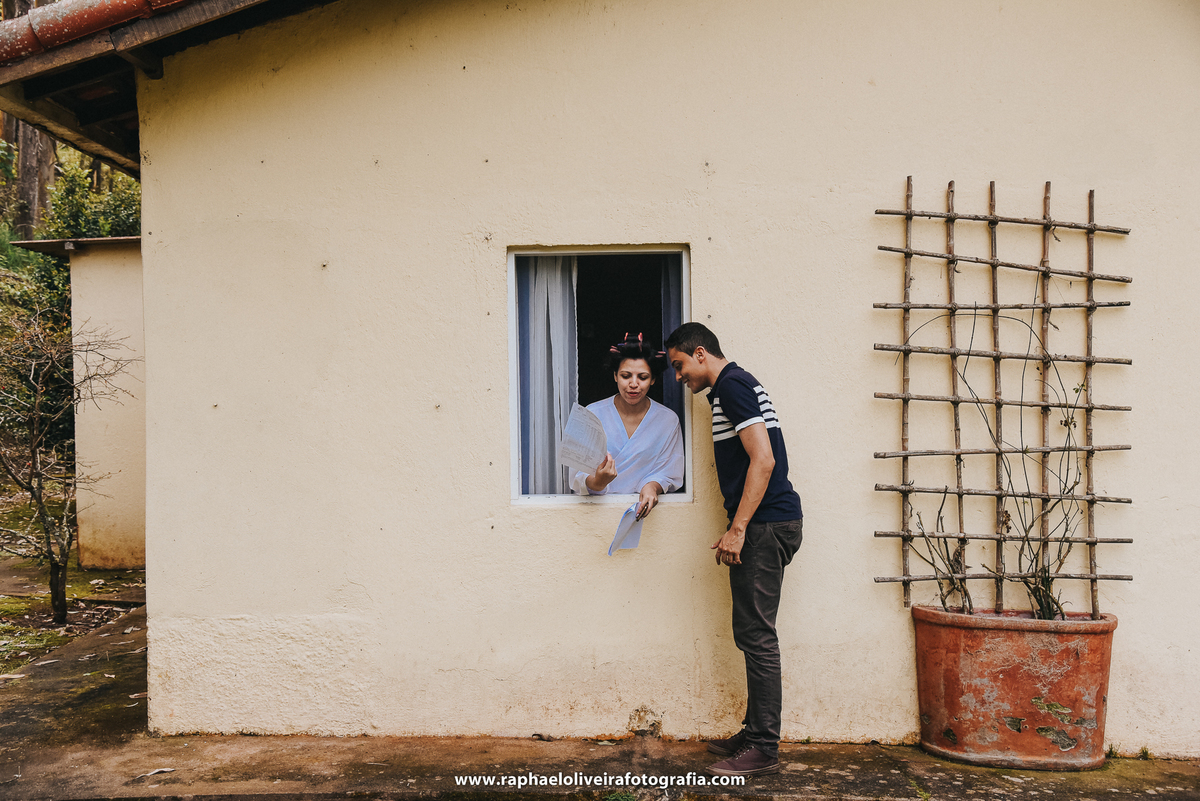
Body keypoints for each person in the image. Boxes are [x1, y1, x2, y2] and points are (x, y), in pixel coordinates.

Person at [665, 321, 803, 778]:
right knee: (750, 633)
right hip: (766, 525)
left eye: (680, 365)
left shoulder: (733, 387)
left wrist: (739, 527)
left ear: (700, 353)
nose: (679, 377)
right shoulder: (735, 386)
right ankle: (754, 731)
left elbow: (763, 459)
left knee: (758, 637)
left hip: (763, 526)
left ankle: (763, 748)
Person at [571, 333, 685, 520]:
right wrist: (598, 482)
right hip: (594, 517)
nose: (633, 384)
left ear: (653, 380)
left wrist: (652, 486)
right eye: (626, 376)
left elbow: (670, 471)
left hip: (644, 517)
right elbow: (576, 476)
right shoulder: (590, 414)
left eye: (642, 377)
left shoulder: (668, 420)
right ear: (615, 376)